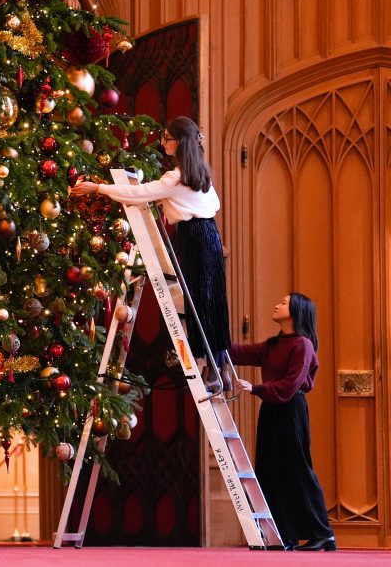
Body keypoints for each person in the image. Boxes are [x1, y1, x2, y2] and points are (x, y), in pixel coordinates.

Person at [71, 115, 232, 392]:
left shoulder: (175, 177)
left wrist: (98, 187)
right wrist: (170, 201)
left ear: (179, 143)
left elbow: (140, 193)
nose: (162, 143)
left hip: (194, 238)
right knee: (210, 300)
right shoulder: (199, 176)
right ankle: (219, 369)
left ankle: (212, 372)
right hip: (209, 235)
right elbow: (210, 203)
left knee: (198, 302)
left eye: (166, 138)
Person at [231, 293, 335, 551]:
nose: (277, 304)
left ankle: (324, 534)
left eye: (284, 302)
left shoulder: (303, 344)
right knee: (269, 470)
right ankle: (282, 535)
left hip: (291, 411)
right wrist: (211, 339)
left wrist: (256, 388)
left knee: (297, 471)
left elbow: (290, 386)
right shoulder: (273, 344)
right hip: (272, 410)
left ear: (297, 311)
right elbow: (240, 352)